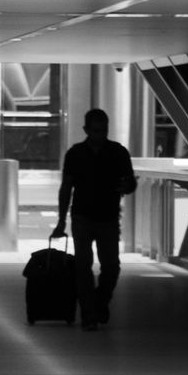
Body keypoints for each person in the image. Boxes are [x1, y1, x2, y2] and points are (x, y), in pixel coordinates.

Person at [51, 108, 137, 329]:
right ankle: (89, 314)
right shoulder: (75, 154)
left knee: (111, 266)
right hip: (82, 217)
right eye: (96, 130)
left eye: (104, 130)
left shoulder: (118, 153)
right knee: (83, 265)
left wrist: (127, 185)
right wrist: (61, 221)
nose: (100, 135)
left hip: (108, 216)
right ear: (86, 130)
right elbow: (66, 188)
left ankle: (99, 302)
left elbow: (130, 182)